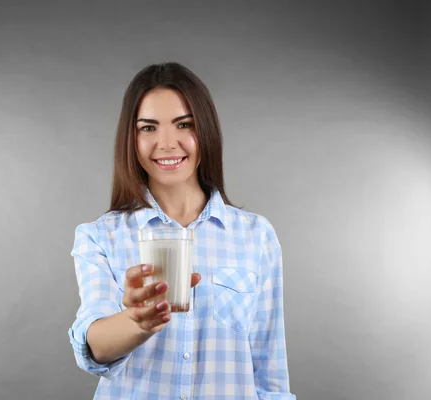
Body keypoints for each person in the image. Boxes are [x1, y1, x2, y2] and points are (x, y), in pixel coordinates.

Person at [67, 62, 296, 399]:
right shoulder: (100, 237)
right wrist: (136, 321)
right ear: (130, 138)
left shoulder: (256, 236)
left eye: (183, 125)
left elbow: (269, 372)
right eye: (148, 128)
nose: (166, 143)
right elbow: (94, 348)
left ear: (205, 131)